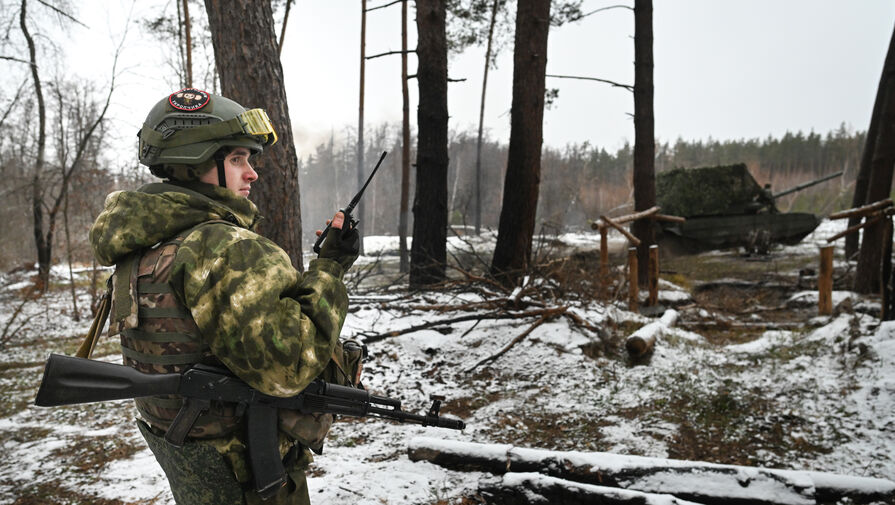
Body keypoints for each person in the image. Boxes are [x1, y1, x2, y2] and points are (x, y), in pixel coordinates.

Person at [89, 88, 361, 505]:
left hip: (193, 472)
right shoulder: (225, 249)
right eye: (237, 159)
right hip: (251, 480)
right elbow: (288, 368)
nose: (251, 173)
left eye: (249, 160)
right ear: (196, 161)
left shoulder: (144, 249)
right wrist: (330, 269)